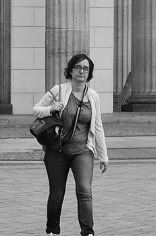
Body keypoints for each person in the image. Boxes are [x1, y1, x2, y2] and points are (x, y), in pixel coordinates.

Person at [33, 53, 108, 236]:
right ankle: (52, 231)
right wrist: (51, 108)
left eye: (85, 68)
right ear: (71, 70)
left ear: (89, 73)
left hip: (82, 151)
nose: (81, 71)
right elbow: (36, 109)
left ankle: (87, 232)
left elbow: (97, 126)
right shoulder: (59, 90)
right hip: (56, 151)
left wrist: (103, 155)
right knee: (57, 193)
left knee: (84, 190)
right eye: (78, 67)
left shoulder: (93, 96)